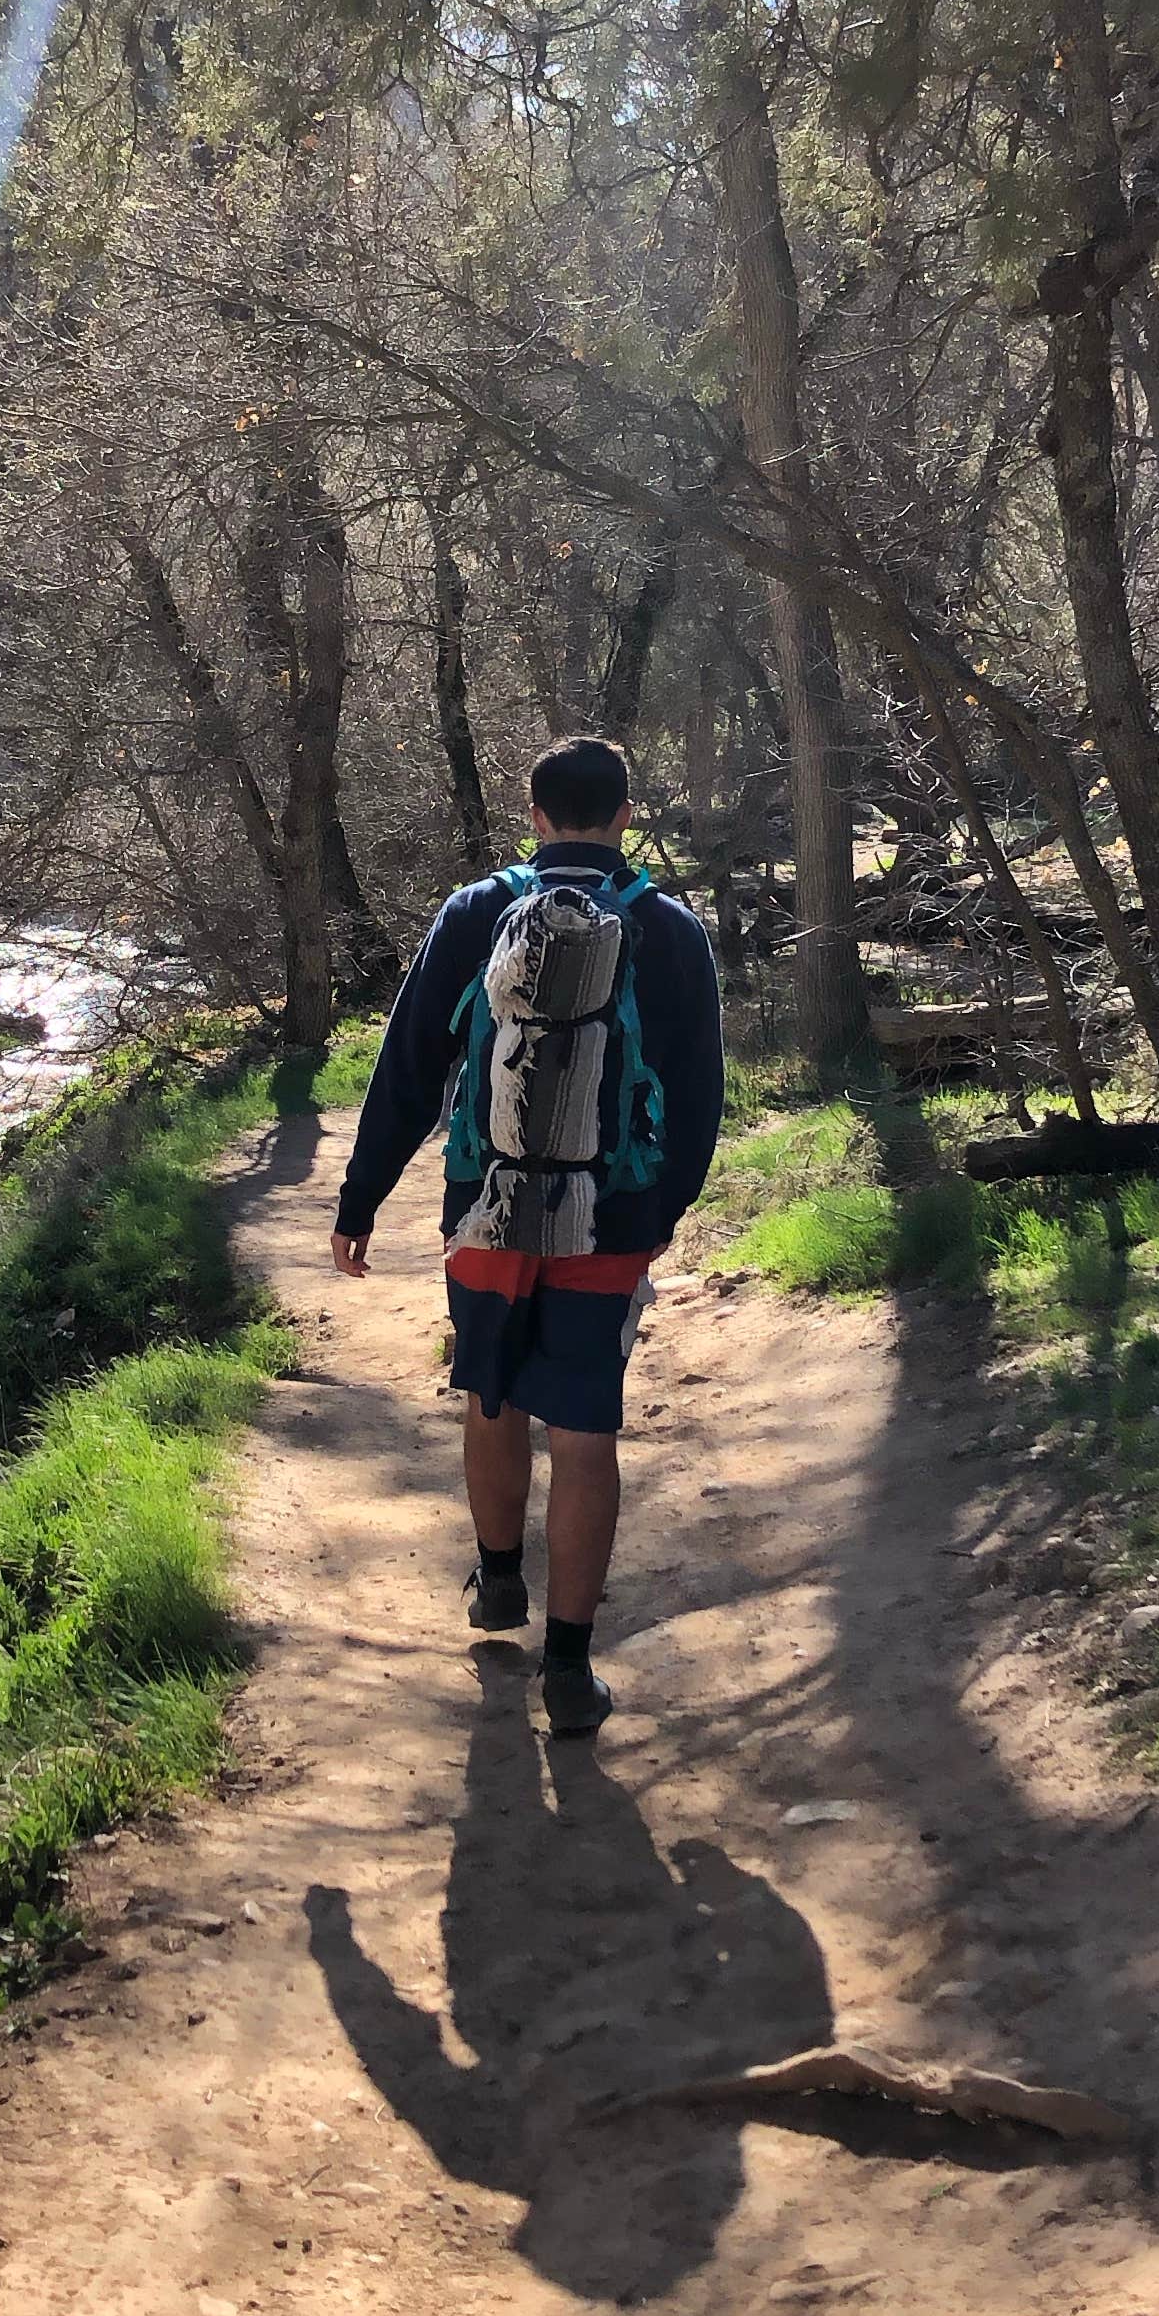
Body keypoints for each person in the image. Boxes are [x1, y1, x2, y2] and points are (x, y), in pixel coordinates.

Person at [330, 733, 725, 1735]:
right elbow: (700, 1097)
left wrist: (361, 1195)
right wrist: (660, 1212)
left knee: (490, 1387)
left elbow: (412, 1062)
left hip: (487, 1205)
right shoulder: (671, 930)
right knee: (586, 1429)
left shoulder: (476, 912)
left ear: (536, 816)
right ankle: (569, 1668)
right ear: (625, 815)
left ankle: (498, 1581)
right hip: (614, 1215)